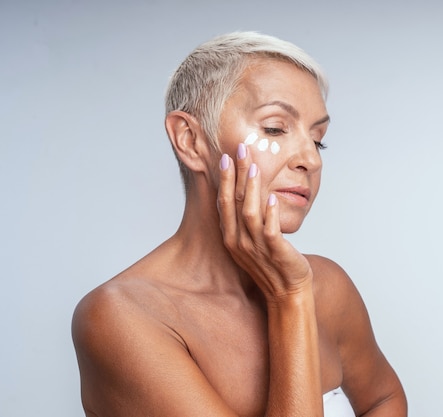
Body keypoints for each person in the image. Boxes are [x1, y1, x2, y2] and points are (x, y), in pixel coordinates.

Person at [72, 31, 407, 417]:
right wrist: (289, 301)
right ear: (191, 140)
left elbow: (384, 399)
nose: (311, 161)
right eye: (275, 129)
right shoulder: (121, 318)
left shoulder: (328, 288)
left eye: (318, 140)